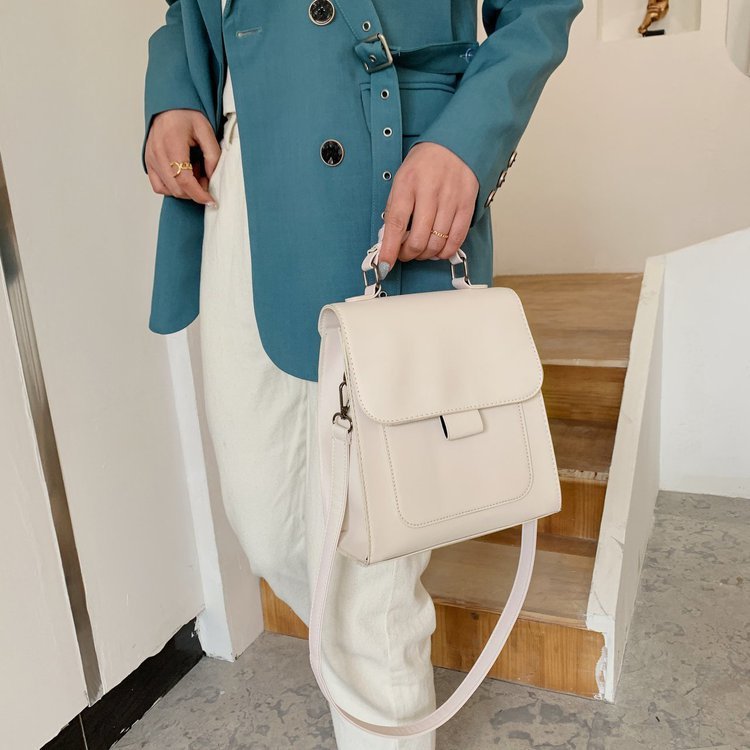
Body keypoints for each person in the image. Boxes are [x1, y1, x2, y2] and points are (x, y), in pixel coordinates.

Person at [141, 1, 583, 747]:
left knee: (368, 574)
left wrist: (467, 139)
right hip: (240, 175)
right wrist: (173, 91)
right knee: (267, 524)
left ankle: (382, 697)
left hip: (383, 165)